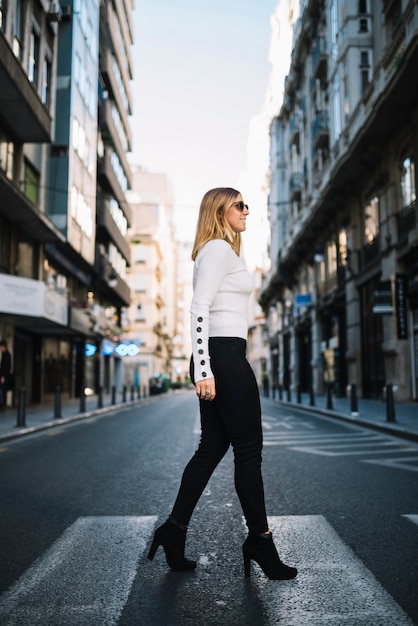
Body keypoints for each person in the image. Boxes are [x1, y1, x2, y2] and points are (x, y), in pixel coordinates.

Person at [148, 188, 297, 580]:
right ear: (220, 211)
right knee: (248, 451)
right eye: (240, 205)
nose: (247, 211)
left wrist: (203, 362)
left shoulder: (223, 251)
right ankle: (260, 541)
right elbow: (199, 308)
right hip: (225, 357)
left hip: (222, 354)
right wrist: (204, 368)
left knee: (213, 446)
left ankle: (173, 530)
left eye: (246, 205)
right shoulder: (216, 249)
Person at [0, 339, 12, 411]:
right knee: (2, 390)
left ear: (3, 346)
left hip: (4, 376)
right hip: (3, 376)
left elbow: (6, 367)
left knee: (3, 390)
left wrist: (3, 376)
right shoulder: (4, 354)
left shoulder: (7, 355)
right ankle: (2, 405)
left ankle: (3, 406)